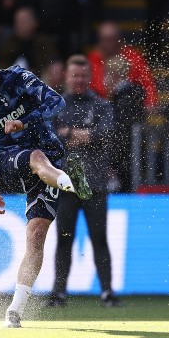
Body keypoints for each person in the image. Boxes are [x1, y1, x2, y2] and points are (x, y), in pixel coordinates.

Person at [0, 41, 92, 328]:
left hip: (49, 158)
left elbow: (57, 103)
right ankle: (69, 181)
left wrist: (25, 121)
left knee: (36, 234)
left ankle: (15, 310)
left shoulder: (18, 78)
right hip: (11, 161)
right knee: (34, 156)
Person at [46, 54, 121, 307]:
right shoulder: (55, 105)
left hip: (95, 184)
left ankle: (107, 293)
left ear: (90, 77)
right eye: (75, 75)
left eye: (84, 76)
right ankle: (58, 293)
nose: (79, 80)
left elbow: (107, 135)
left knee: (99, 238)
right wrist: (79, 134)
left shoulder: (102, 105)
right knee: (64, 239)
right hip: (65, 184)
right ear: (67, 76)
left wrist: (67, 133)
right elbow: (49, 139)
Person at [87, 21, 158, 109]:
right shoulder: (92, 59)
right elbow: (90, 87)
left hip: (129, 106)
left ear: (119, 39)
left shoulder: (133, 57)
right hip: (99, 107)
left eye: (112, 39)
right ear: (100, 41)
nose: (109, 44)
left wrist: (150, 102)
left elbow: (148, 83)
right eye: (105, 40)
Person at [104, 56, 145, 193]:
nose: (104, 79)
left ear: (113, 75)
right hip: (130, 159)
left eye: (106, 74)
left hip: (125, 163)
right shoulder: (128, 96)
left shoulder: (124, 99)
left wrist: (111, 162)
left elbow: (120, 134)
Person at [0, 6, 59, 76]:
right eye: (18, 22)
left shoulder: (43, 42)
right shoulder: (9, 44)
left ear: (35, 22)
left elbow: (52, 63)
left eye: (24, 21)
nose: (20, 25)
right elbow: (1, 67)